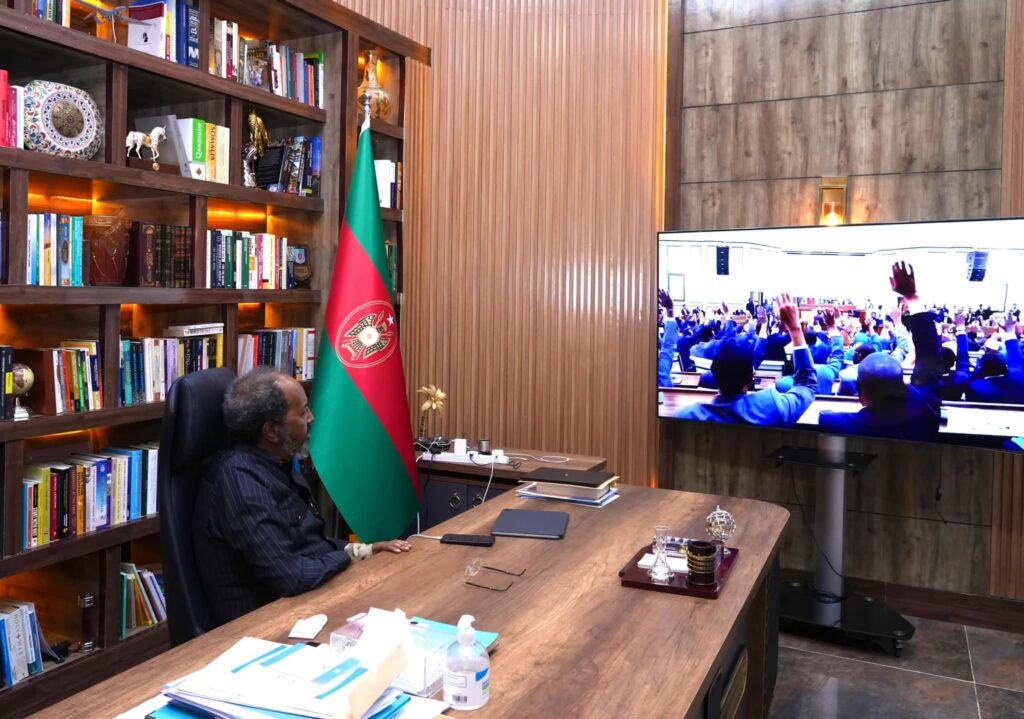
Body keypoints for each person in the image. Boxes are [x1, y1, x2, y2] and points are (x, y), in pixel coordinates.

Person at [193, 368, 412, 626]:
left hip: (304, 607)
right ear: (272, 431)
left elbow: (305, 542)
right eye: (302, 412)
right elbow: (292, 576)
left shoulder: (277, 462)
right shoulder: (240, 482)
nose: (312, 417)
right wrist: (347, 558)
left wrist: (365, 550)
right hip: (263, 631)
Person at [819, 262, 940, 441]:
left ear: (859, 388)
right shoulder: (925, 411)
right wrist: (912, 297)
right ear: (903, 384)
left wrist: (832, 328)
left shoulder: (837, 424)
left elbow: (928, 356)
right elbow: (929, 355)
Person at [674, 293, 817, 426]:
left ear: (713, 375)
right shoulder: (771, 406)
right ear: (752, 377)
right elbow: (806, 385)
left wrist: (728, 316)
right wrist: (795, 328)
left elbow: (729, 348)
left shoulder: (686, 416)